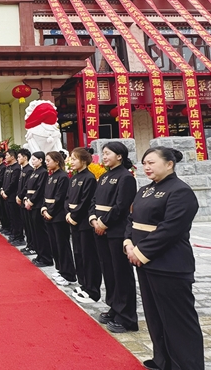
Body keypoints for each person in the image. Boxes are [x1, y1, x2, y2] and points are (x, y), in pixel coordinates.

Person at [124, 146, 205, 370]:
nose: (146, 167)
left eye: (152, 162)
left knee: (178, 320)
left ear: (169, 164)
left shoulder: (180, 191)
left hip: (169, 264)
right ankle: (164, 359)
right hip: (144, 262)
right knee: (155, 315)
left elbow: (171, 229)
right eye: (144, 163)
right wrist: (128, 242)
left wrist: (140, 252)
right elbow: (131, 219)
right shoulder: (145, 190)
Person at [89, 141, 138, 333]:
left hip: (116, 231)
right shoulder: (104, 176)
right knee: (108, 271)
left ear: (119, 156)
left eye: (108, 153)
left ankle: (126, 316)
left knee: (121, 273)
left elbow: (121, 206)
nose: (104, 156)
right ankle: (114, 306)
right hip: (100, 229)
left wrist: (103, 223)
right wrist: (93, 219)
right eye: (103, 153)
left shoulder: (126, 177)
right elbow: (94, 201)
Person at [66, 147, 100, 303]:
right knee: (78, 253)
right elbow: (67, 198)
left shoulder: (89, 178)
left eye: (74, 159)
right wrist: (68, 213)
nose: (71, 162)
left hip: (84, 222)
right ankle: (83, 283)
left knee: (88, 256)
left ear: (84, 160)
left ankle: (92, 288)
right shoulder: (74, 178)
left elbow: (86, 201)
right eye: (71, 159)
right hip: (73, 220)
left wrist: (74, 216)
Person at [41, 151, 76, 287]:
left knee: (62, 245)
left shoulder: (63, 177)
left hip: (58, 215)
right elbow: (46, 195)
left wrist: (50, 212)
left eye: (48, 160)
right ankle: (60, 269)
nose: (46, 163)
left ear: (57, 161)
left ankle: (68, 274)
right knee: (54, 245)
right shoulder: (51, 176)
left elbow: (60, 197)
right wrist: (44, 209)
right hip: (49, 214)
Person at [25, 151, 54, 267]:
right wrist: (26, 199)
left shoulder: (43, 172)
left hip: (37, 205)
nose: (32, 161)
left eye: (34, 159)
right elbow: (27, 187)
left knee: (41, 233)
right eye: (31, 159)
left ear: (41, 160)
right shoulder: (34, 172)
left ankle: (46, 257)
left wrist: (31, 201)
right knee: (35, 232)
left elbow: (40, 189)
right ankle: (39, 255)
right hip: (30, 203)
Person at [1, 149, 23, 246]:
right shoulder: (8, 167)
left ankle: (19, 236)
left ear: (12, 157)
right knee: (10, 217)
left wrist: (6, 192)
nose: (5, 157)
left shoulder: (17, 168)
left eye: (7, 155)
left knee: (16, 217)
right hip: (6, 195)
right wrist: (2, 190)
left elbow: (13, 182)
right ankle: (13, 233)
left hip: (12, 196)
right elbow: (5, 181)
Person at [16, 149, 34, 255]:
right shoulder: (23, 169)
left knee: (30, 226)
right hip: (21, 200)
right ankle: (29, 245)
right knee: (26, 225)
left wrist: (20, 196)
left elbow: (26, 187)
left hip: (26, 200)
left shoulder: (29, 170)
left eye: (19, 157)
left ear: (25, 157)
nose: (18, 159)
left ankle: (32, 246)